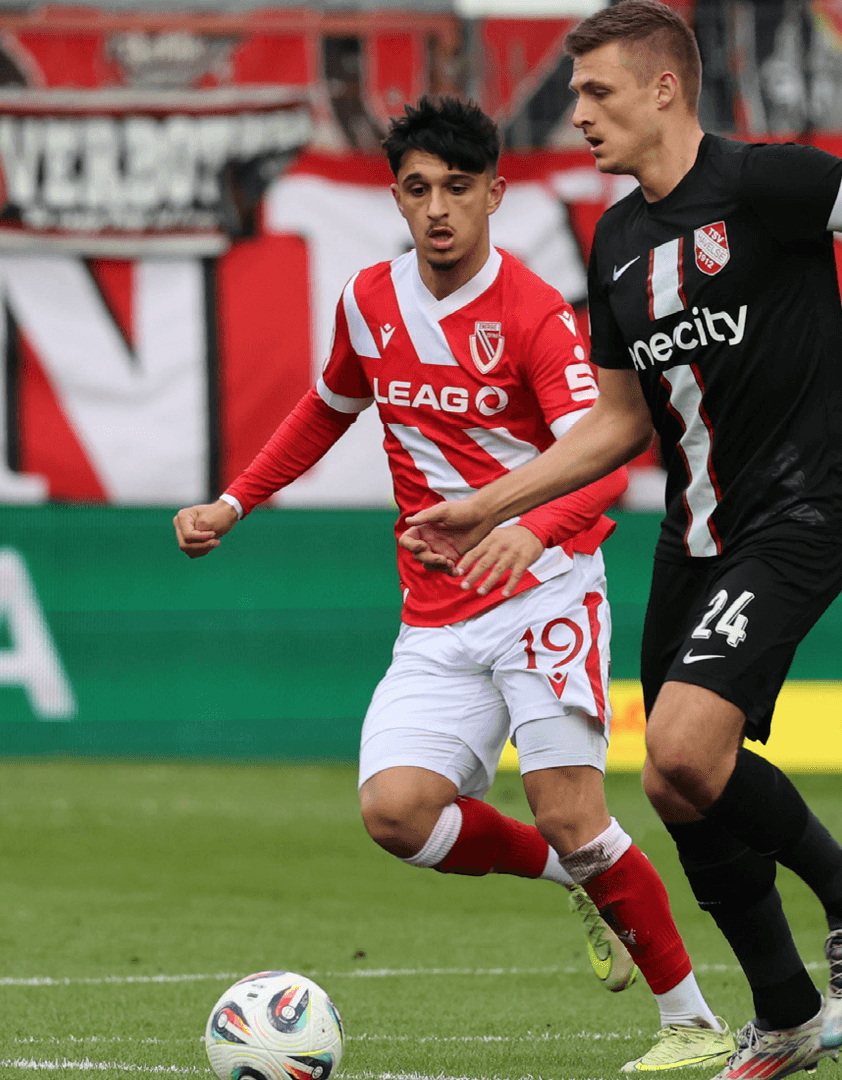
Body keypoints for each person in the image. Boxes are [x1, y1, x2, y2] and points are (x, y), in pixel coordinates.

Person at [400, 5, 842, 1077]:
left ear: (665, 88)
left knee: (682, 746)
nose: (579, 115)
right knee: (676, 786)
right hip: (697, 537)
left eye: (598, 93)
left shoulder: (770, 182)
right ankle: (785, 1014)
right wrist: (494, 505)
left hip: (801, 512)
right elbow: (618, 424)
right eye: (576, 96)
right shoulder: (615, 241)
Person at [172, 95, 737, 1074]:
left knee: (571, 807)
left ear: (495, 194)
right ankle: (574, 876)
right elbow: (327, 406)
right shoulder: (369, 301)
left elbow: (605, 460)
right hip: (437, 613)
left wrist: (528, 529)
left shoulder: (536, 316)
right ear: (397, 197)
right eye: (418, 189)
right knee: (395, 812)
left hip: (547, 588)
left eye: (458, 188)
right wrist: (234, 501)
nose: (438, 209)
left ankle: (693, 1023)